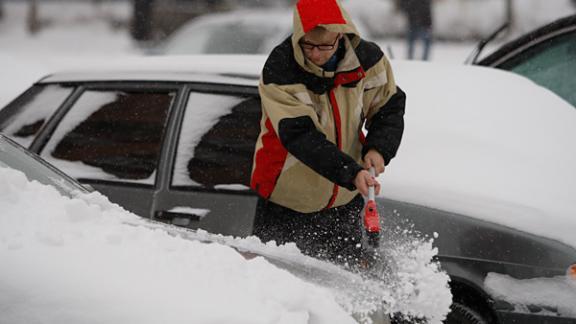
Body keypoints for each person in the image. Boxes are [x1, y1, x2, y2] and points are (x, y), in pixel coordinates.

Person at [250, 0, 406, 268]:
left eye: (325, 46)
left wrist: (379, 148)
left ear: (342, 35)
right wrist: (350, 172)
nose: (316, 54)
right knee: (277, 289)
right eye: (308, 45)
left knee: (341, 283)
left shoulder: (368, 61)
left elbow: (388, 107)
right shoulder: (281, 68)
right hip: (286, 200)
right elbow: (300, 136)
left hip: (344, 201)